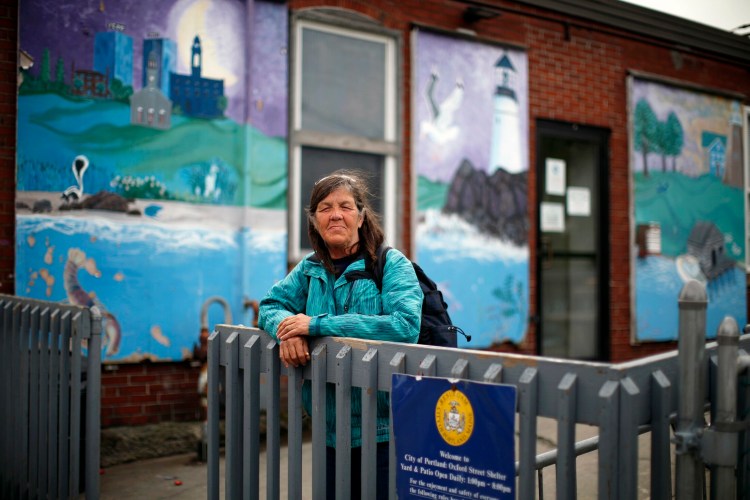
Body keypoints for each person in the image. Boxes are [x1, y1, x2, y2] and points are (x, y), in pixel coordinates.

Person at [258, 170, 422, 499]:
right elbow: (270, 304)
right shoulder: (310, 268)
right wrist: (287, 330)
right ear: (314, 220)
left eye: (345, 207)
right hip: (328, 429)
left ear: (361, 217)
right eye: (325, 207)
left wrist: (316, 325)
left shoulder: (390, 264)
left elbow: (405, 325)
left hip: (385, 429)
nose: (335, 215)